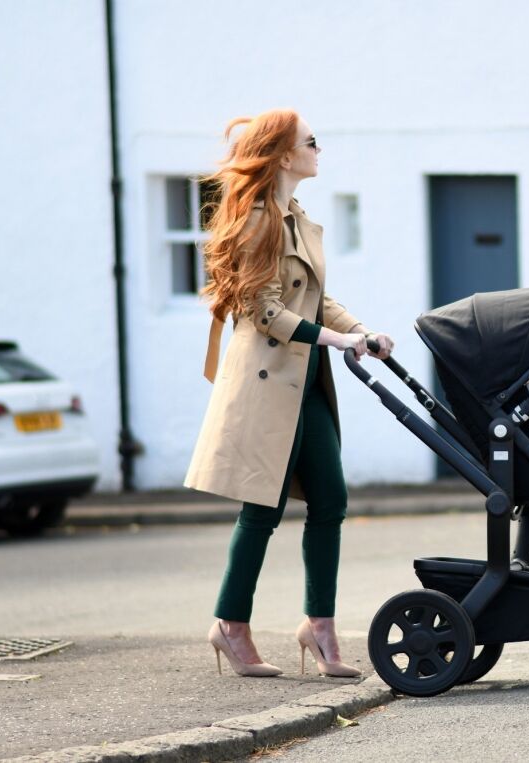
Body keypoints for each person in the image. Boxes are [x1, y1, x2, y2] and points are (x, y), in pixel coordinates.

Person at [184, 109, 393, 678]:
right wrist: (336, 340)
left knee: (331, 502)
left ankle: (318, 627)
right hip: (266, 383)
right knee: (263, 510)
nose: (318, 150)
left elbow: (315, 300)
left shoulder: (297, 217)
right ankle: (231, 626)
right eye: (311, 142)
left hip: (305, 383)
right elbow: (267, 312)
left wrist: (360, 332)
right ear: (282, 155)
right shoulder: (255, 221)